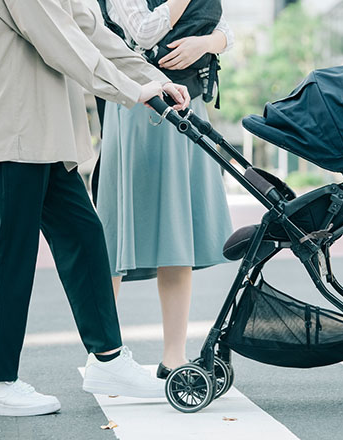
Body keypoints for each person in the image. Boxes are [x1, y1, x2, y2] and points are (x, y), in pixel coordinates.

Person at [0, 0, 189, 417]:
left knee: (84, 238)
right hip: (14, 128)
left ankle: (108, 359)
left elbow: (91, 29)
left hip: (48, 132)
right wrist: (131, 90)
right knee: (13, 252)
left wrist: (153, 79)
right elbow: (60, 40)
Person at [96, 0, 233, 378]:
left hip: (186, 105)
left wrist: (205, 44)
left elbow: (227, 29)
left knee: (177, 233)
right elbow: (143, 31)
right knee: (114, 232)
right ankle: (103, 351)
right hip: (136, 106)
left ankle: (174, 355)